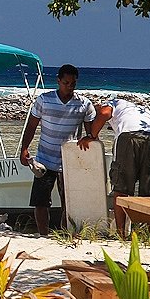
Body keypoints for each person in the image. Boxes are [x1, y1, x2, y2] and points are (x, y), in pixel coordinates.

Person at [20, 64, 95, 235]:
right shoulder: (44, 100)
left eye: (73, 84)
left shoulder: (84, 104)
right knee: (41, 202)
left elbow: (91, 132)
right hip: (44, 159)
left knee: (68, 202)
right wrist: (24, 148)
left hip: (70, 161)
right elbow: (31, 126)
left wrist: (89, 139)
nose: (69, 86)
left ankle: (65, 234)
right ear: (58, 81)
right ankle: (43, 234)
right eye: (66, 83)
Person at [78, 96, 150, 238]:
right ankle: (149, 235)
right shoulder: (141, 111)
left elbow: (104, 113)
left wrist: (91, 135)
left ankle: (120, 234)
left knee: (121, 189)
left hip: (129, 137)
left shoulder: (113, 103)